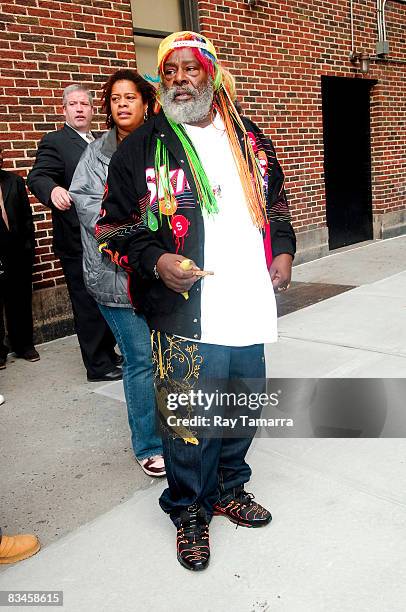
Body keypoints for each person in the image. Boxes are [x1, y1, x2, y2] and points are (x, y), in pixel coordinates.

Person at [96, 31, 296, 571]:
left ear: (210, 73)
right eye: (171, 70)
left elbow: (275, 204)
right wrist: (156, 260)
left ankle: (231, 486)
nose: (181, 79)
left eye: (191, 69)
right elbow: (113, 228)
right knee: (189, 419)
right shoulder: (142, 146)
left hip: (247, 301)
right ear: (162, 80)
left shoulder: (249, 139)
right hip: (185, 308)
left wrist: (284, 249)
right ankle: (189, 511)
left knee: (242, 404)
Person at [70, 70, 165, 477]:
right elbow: (93, 210)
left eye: (130, 97)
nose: (122, 104)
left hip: (161, 273)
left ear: (147, 103)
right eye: (114, 99)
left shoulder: (164, 145)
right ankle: (148, 444)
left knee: (167, 358)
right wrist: (148, 222)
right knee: (141, 358)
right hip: (115, 277)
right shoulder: (96, 155)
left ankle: (174, 428)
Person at [27, 85, 122, 382]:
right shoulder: (56, 141)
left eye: (84, 104)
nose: (79, 108)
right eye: (73, 104)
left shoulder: (102, 141)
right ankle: (98, 365)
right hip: (75, 240)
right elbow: (38, 175)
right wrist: (53, 189)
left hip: (103, 236)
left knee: (105, 298)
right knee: (86, 304)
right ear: (64, 110)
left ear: (93, 110)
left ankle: (109, 353)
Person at [0, 146, 39, 366]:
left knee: (20, 301)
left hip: (17, 252)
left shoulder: (14, 182)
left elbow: (26, 218)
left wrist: (29, 248)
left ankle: (23, 345)